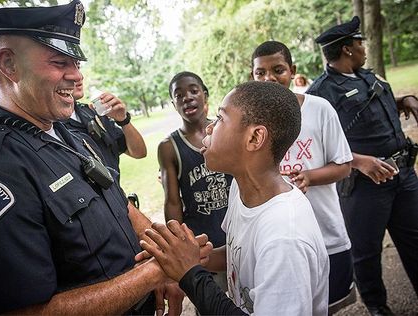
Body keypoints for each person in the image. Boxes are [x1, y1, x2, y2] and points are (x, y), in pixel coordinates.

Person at [0, 1, 210, 314]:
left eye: (76, 62)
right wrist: (158, 271)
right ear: (8, 64)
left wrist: (164, 249)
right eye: (60, 62)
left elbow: (119, 204)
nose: (76, 75)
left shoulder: (66, 134)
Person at [140, 81, 329, 315]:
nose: (209, 128)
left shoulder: (284, 238)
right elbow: (237, 254)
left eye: (219, 119)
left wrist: (190, 274)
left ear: (254, 138)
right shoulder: (241, 189)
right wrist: (194, 258)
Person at [307, 16, 418, 316]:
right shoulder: (320, 93)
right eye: (359, 43)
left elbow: (373, 108)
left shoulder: (369, 77)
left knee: (414, 239)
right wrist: (357, 162)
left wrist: (403, 100)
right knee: (366, 252)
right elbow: (320, 142)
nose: (364, 47)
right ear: (347, 49)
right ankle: (377, 307)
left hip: (403, 175)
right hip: (365, 186)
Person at [251, 40, 355, 313]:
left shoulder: (319, 109)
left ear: (292, 70)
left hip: (326, 236)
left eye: (278, 70)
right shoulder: (249, 122)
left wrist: (309, 176)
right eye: (260, 73)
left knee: (326, 307)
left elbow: (343, 165)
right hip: (278, 244)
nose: (269, 78)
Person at [158, 72, 233, 291]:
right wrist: (180, 246)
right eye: (179, 95)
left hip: (236, 235)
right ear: (174, 104)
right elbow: (172, 202)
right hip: (203, 244)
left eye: (193, 90)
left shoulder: (224, 131)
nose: (187, 98)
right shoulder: (169, 147)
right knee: (212, 303)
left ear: (205, 95)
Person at [63, 69, 146, 176]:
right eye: (63, 65)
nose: (80, 76)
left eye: (78, 67)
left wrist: (123, 120)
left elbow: (139, 153)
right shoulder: (50, 127)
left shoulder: (94, 113)